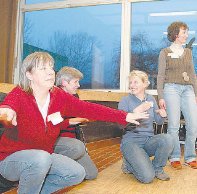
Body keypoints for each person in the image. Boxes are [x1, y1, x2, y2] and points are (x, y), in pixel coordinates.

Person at [0, 52, 149, 194]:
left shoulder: (59, 96)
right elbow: (7, 107)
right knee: (41, 158)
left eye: (51, 68)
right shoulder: (20, 93)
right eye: (43, 68)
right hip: (12, 159)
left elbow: (90, 108)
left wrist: (125, 116)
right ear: (29, 74)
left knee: (76, 173)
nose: (51, 72)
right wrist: (6, 112)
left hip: (44, 155)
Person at [118, 70, 173, 183]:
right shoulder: (125, 100)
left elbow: (158, 122)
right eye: (130, 82)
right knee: (147, 177)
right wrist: (136, 111)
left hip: (148, 141)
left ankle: (157, 168)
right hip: (131, 142)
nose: (132, 85)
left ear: (145, 84)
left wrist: (162, 114)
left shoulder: (151, 99)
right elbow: (120, 125)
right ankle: (128, 164)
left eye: (135, 82)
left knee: (168, 138)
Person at [157, 21, 197, 169]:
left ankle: (190, 156)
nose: (187, 35)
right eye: (184, 32)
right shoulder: (164, 52)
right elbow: (160, 76)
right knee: (173, 126)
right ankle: (174, 156)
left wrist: (196, 93)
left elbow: (193, 74)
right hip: (171, 89)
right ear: (175, 34)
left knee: (193, 125)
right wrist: (160, 96)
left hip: (188, 90)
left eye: (187, 32)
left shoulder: (188, 52)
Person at [55, 66, 98, 180]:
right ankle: (51, 165)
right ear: (64, 82)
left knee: (91, 174)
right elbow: (54, 123)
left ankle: (68, 165)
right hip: (58, 141)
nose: (78, 85)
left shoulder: (75, 96)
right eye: (76, 82)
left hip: (74, 140)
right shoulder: (54, 97)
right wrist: (75, 120)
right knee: (77, 151)